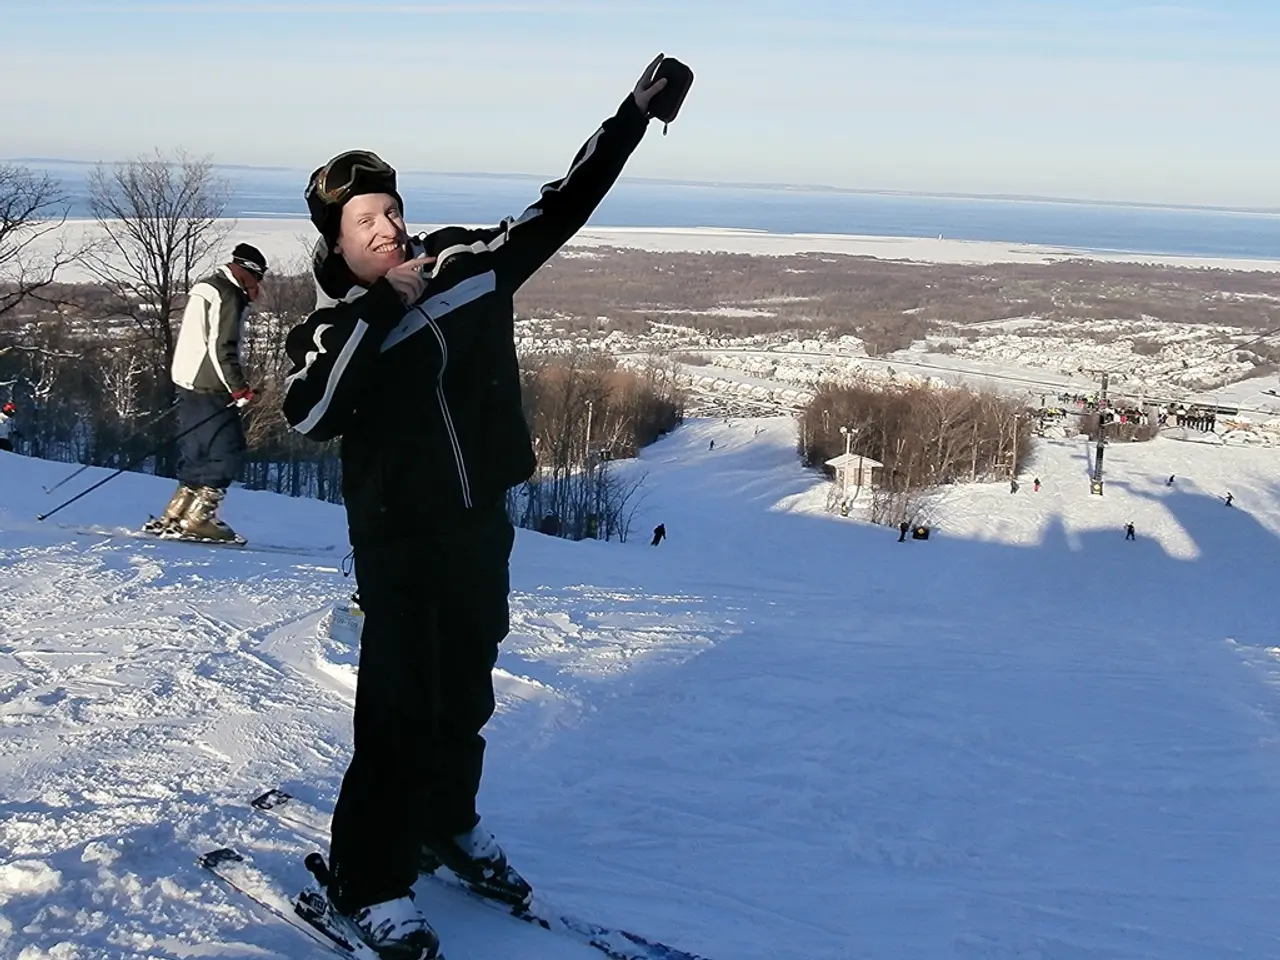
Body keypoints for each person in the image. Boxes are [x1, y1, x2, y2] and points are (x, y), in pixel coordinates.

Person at [280, 56, 679, 957]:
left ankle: (445, 825)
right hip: (397, 540)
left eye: (389, 210)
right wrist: (381, 307)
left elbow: (559, 207)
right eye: (363, 221)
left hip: (477, 525)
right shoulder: (329, 327)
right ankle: (369, 877)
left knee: (463, 695)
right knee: (395, 710)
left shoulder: (466, 264)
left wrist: (629, 116)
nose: (385, 227)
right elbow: (311, 412)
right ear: (334, 241)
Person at [148, 244, 267, 541]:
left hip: (187, 381)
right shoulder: (229, 295)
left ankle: (175, 514)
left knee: (197, 450)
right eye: (257, 278)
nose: (258, 286)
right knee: (227, 450)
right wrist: (238, 388)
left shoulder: (206, 287)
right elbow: (221, 347)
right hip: (211, 385)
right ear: (246, 271)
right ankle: (199, 519)